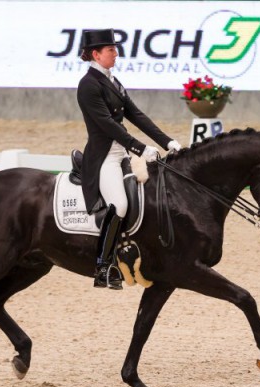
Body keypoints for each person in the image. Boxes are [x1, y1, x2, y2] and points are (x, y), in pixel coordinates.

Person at [76, 28, 182, 290]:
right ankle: (103, 266)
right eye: (111, 50)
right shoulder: (88, 85)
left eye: (115, 48)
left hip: (121, 153)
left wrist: (167, 141)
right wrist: (140, 149)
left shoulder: (113, 81)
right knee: (120, 205)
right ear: (95, 54)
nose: (116, 53)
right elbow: (108, 125)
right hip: (104, 158)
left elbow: (136, 115)